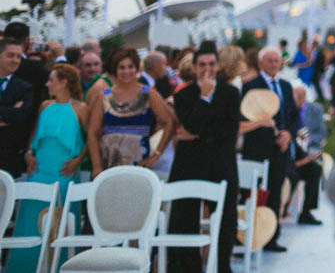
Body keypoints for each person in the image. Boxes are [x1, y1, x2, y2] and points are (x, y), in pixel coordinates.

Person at [167, 42, 241, 273]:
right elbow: (191, 124)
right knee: (183, 220)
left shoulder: (231, 93)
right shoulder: (184, 94)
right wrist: (204, 98)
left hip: (222, 165)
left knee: (226, 220)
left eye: (211, 64)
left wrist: (197, 134)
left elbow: (229, 132)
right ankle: (189, 268)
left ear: (217, 66)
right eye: (202, 64)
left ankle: (222, 266)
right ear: (195, 67)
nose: (206, 69)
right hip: (189, 165)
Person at [8, 64, 87, 273]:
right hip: (39, 168)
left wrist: (79, 159)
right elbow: (34, 134)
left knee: (61, 220)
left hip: (64, 170)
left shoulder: (81, 108)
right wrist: (28, 154)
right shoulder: (45, 105)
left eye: (51, 79)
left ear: (64, 82)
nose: (47, 83)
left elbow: (92, 139)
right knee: (30, 219)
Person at [241, 46, 298, 252]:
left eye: (277, 61)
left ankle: (271, 238)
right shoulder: (250, 86)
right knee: (253, 194)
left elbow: (293, 116)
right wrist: (272, 136)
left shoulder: (285, 85)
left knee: (275, 194)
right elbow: (247, 116)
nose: (274, 64)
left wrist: (287, 135)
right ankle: (249, 237)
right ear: (261, 63)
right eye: (270, 61)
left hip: (280, 151)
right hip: (258, 149)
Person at [86, 47, 174, 174]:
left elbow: (169, 122)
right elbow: (92, 132)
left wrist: (156, 155)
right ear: (115, 70)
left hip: (139, 167)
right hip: (108, 166)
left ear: (137, 68)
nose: (126, 71)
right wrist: (97, 166)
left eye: (130, 66)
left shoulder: (147, 92)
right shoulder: (105, 94)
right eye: (122, 67)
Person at [290, 84, 324, 225]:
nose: (294, 99)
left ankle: (307, 212)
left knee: (315, 169)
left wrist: (308, 142)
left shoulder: (315, 109)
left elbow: (321, 132)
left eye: (297, 96)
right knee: (293, 174)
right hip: (292, 153)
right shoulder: (289, 112)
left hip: (308, 147)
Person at [0, 37, 35, 176]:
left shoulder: (25, 87)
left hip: (8, 158)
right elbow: (14, 114)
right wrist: (10, 111)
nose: (15, 60)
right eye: (10, 55)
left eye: (19, 56)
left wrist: (14, 113)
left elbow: (20, 116)